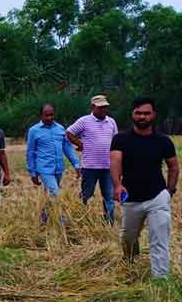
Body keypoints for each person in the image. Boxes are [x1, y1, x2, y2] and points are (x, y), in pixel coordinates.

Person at [111, 97, 178, 279]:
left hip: (157, 196)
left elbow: (173, 166)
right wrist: (117, 185)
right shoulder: (120, 139)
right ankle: (130, 265)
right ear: (132, 114)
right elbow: (115, 161)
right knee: (128, 239)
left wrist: (169, 191)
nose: (142, 117)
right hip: (130, 198)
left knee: (159, 239)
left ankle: (160, 278)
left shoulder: (163, 141)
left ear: (154, 115)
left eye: (147, 113)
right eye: (138, 113)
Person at [66, 95, 119, 223]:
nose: (103, 110)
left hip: (108, 167)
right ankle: (81, 219)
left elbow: (116, 140)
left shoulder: (111, 122)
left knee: (109, 197)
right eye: (100, 108)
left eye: (105, 107)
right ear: (93, 107)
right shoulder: (84, 121)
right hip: (90, 167)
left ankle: (109, 222)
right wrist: (80, 144)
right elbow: (69, 132)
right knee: (86, 195)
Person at [26, 103, 81, 197]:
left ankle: (45, 211)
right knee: (55, 193)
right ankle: (57, 212)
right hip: (44, 169)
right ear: (41, 115)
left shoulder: (60, 129)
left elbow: (67, 148)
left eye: (51, 115)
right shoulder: (34, 131)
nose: (49, 118)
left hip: (58, 169)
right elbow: (30, 153)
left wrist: (76, 164)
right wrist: (33, 173)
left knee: (50, 195)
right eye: (46, 115)